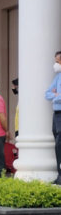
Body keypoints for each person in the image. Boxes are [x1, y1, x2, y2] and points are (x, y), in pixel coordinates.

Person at [45, 51, 61, 184]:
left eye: (58, 61)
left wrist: (56, 96)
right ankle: (59, 174)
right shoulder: (57, 77)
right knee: (57, 144)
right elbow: (47, 93)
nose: (55, 64)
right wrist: (56, 96)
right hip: (56, 114)